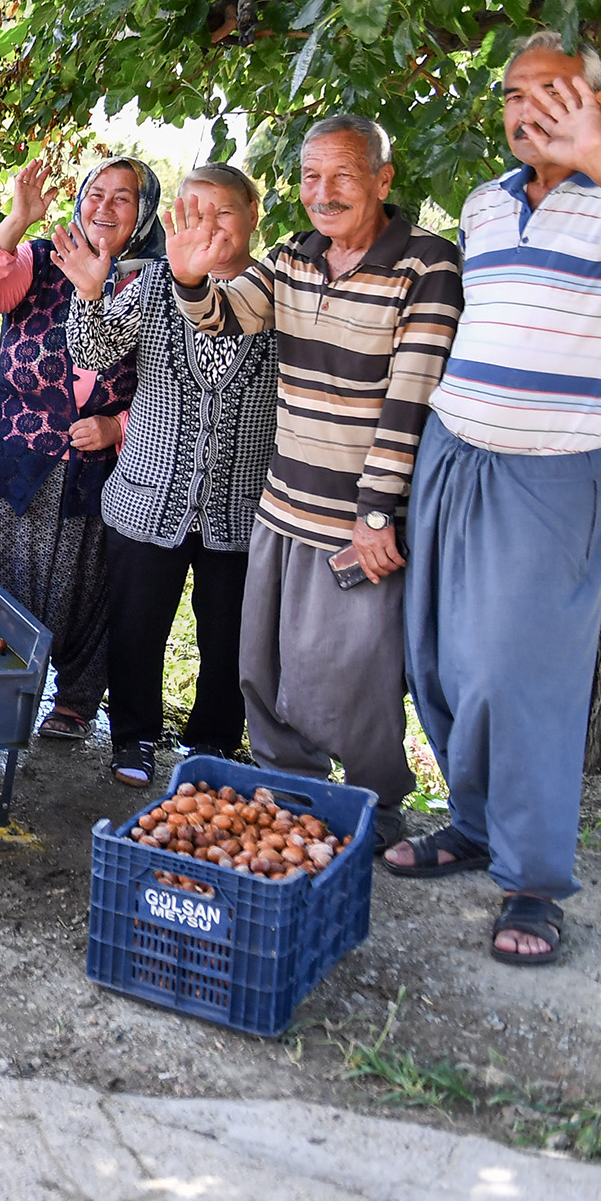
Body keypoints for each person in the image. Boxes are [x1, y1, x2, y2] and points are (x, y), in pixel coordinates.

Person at [383, 33, 601, 966]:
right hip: (455, 450)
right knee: (440, 660)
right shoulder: (486, 205)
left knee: (517, 677)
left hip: (549, 469)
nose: (528, 110)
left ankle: (534, 883)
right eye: (514, 94)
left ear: (600, 102)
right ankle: (473, 823)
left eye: (555, 93)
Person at [168, 114, 463, 850]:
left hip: (358, 515)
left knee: (352, 677)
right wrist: (188, 275)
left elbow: (411, 397)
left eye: (342, 175)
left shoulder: (426, 266)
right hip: (283, 503)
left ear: (382, 180)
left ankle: (374, 802)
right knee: (261, 666)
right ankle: (287, 796)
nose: (322, 193)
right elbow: (226, 318)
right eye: (309, 177)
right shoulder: (294, 256)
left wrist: (374, 514)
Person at [65, 162, 279, 786]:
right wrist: (90, 293)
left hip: (239, 508)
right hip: (148, 495)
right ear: (172, 219)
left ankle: (211, 746)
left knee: (229, 638)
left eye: (224, 212)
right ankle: (133, 739)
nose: (207, 226)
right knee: (137, 627)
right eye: (193, 212)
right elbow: (95, 354)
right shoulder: (154, 282)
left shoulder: (278, 290)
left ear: (253, 218)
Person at [0, 154, 162, 741]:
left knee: (85, 584)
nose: (105, 207)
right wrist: (17, 221)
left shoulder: (161, 284)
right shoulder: (41, 260)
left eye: (123, 198)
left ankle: (73, 698)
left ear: (143, 213)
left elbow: (174, 381)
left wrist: (119, 426)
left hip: (95, 464)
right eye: (96, 193)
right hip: (15, 452)